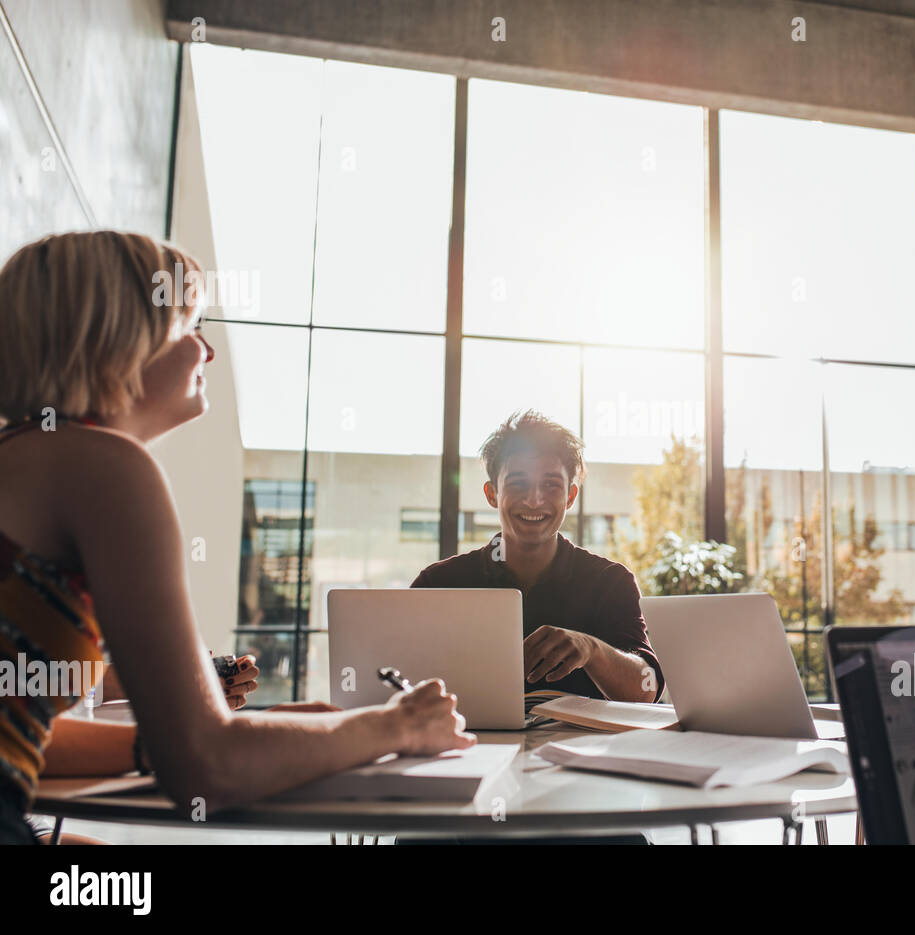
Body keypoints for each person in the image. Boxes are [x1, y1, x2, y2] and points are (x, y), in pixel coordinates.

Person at [0, 231, 474, 845]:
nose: (206, 351)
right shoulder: (105, 468)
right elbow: (208, 769)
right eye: (188, 326)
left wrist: (250, 732)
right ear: (116, 339)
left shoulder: (23, 455)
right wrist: (396, 728)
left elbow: (32, 736)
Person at [411, 410, 661, 702]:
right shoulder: (438, 582)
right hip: (471, 746)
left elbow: (647, 690)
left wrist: (591, 650)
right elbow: (397, 678)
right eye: (518, 483)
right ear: (492, 494)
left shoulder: (610, 582)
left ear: (570, 496)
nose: (534, 499)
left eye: (551, 485)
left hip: (578, 746)